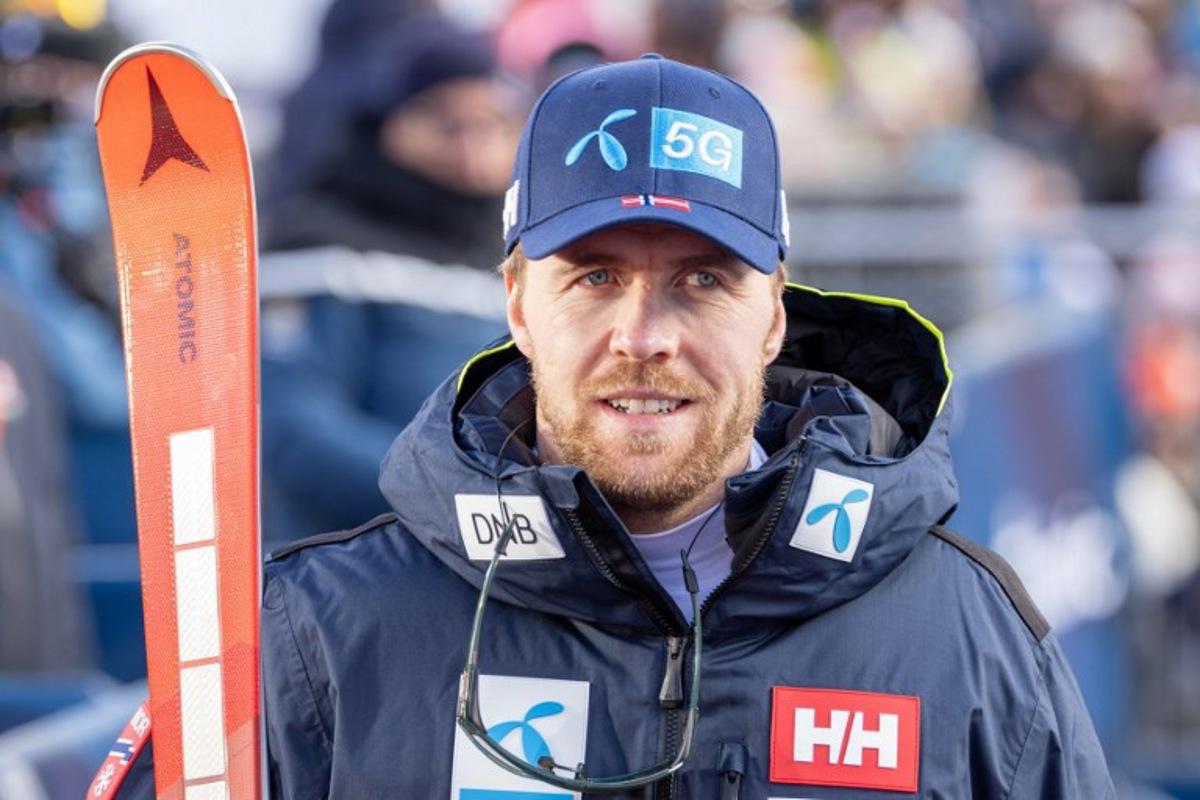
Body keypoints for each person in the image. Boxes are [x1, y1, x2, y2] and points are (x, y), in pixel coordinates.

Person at [102, 54, 1113, 799]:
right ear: (516, 304)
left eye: (703, 280)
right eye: (594, 277)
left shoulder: (970, 635)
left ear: (772, 315)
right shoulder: (317, 634)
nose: (643, 335)